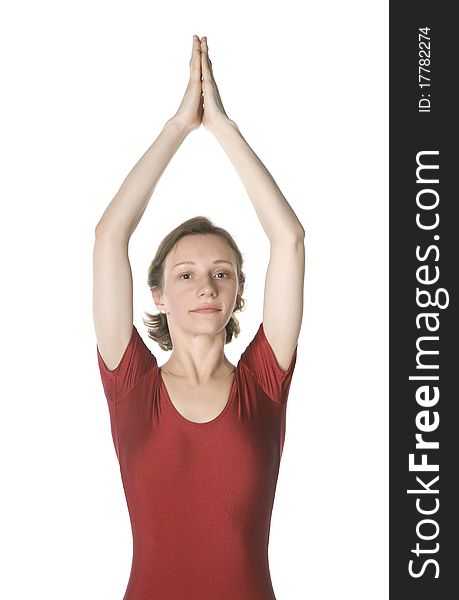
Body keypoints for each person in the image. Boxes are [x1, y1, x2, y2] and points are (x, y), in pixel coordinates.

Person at [93, 34, 305, 600]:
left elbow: (288, 238)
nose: (205, 285)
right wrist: (179, 126)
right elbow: (110, 236)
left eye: (223, 273)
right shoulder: (130, 381)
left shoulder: (264, 381)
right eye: (184, 274)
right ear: (157, 294)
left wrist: (224, 129)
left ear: (239, 293)